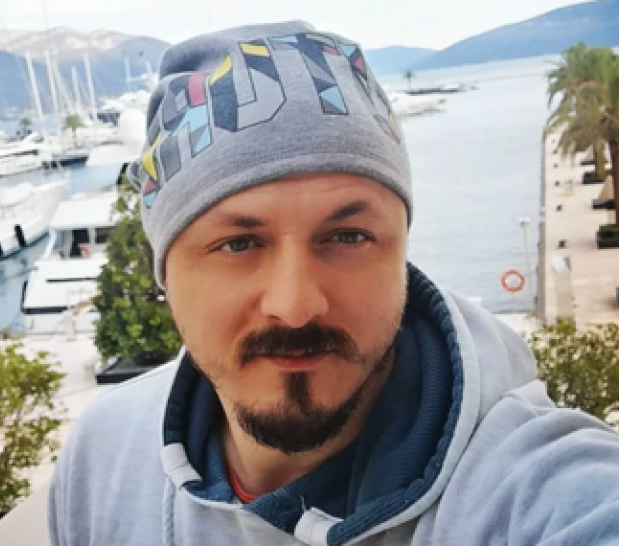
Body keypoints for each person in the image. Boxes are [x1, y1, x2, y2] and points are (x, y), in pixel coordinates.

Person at [48, 21, 619, 545]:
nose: (296, 305)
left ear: (401, 252)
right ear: (166, 272)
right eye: (238, 244)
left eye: (348, 236)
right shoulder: (103, 459)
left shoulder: (530, 489)